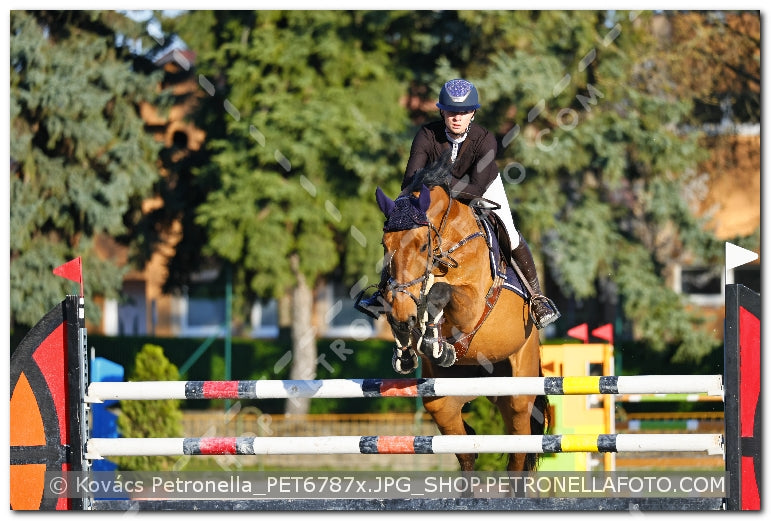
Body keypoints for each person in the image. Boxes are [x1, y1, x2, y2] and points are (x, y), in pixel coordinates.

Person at [357, 78, 560, 329]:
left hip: (482, 187)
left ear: (473, 113)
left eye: (463, 112)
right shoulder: (427, 135)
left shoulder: (485, 139)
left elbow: (475, 188)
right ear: (442, 112)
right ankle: (381, 293)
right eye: (452, 112)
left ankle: (537, 298)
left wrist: (442, 181)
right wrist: (416, 200)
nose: (457, 118)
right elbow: (409, 180)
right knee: (402, 228)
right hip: (434, 192)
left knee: (509, 231)